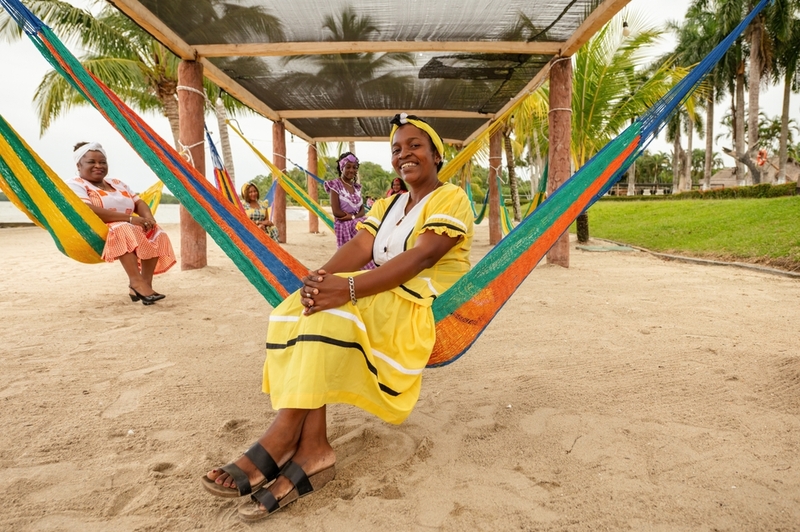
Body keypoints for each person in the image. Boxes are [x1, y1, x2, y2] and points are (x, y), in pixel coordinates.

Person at [201, 113, 474, 522]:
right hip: (383, 290)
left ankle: (281, 437)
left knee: (330, 315)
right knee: (301, 308)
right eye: (397, 149)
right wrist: (319, 281)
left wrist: (344, 289)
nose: (404, 154)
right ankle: (313, 449)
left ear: (436, 155)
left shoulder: (450, 198)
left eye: (415, 145)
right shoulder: (389, 203)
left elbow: (423, 256)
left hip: (423, 300)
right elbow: (361, 248)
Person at [68, 142, 175, 305]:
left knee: (157, 232)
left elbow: (139, 202)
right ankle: (136, 282)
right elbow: (86, 209)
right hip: (99, 230)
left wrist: (148, 219)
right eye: (91, 162)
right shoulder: (75, 184)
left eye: (102, 162)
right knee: (122, 227)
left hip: (129, 227)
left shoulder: (117, 183)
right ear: (79, 165)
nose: (98, 166)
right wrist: (130, 219)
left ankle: (145, 285)